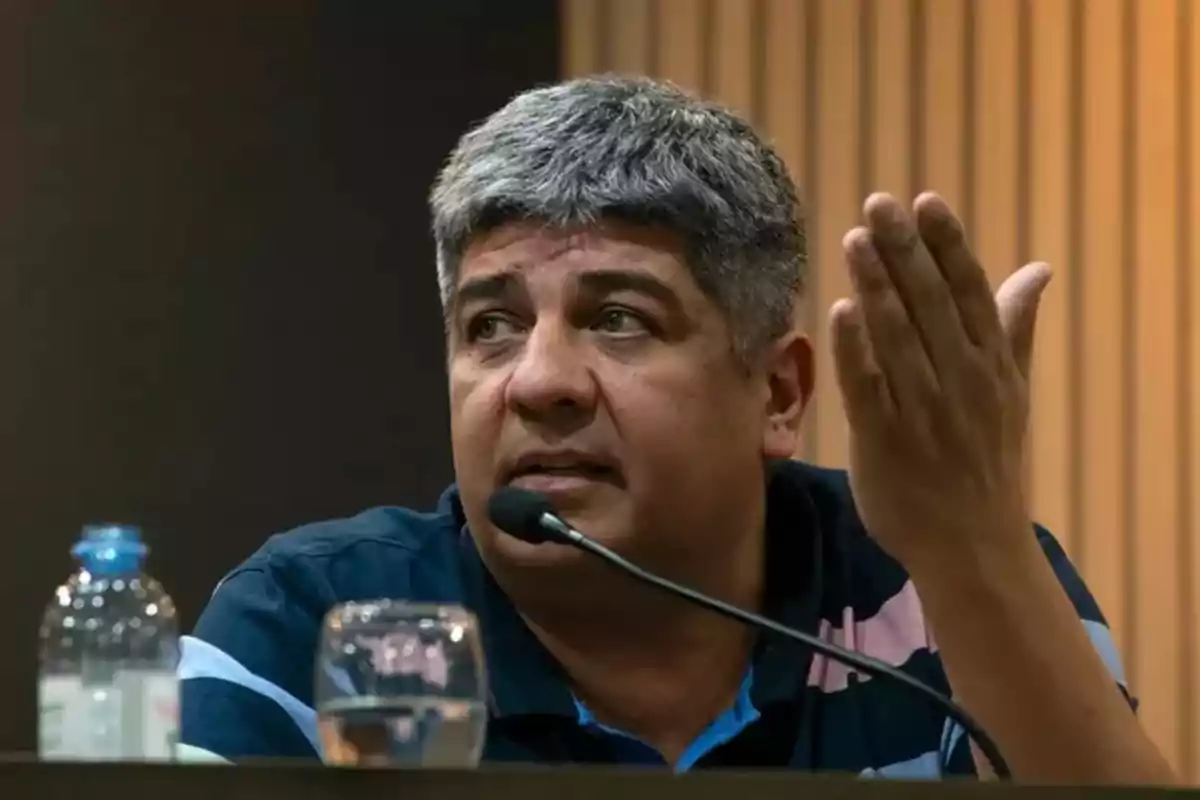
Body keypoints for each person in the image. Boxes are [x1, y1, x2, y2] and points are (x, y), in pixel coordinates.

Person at [177, 75, 1174, 784]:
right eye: (492, 325)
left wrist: (974, 543)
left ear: (778, 396)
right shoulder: (322, 622)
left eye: (619, 318)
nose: (540, 381)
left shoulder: (937, 589)